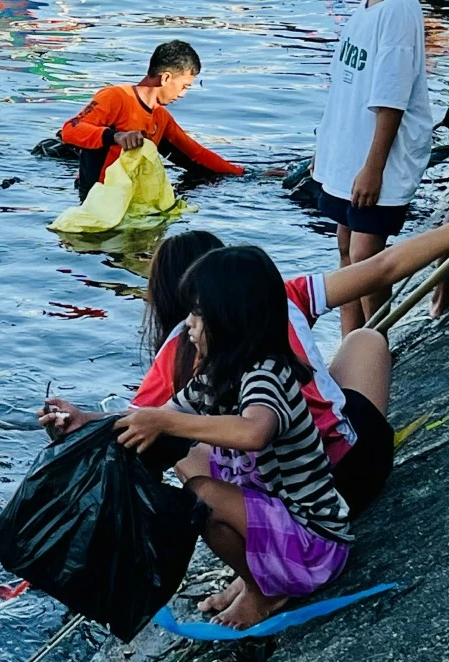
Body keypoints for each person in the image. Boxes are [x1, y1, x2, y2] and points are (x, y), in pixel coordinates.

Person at [49, 247, 353, 629]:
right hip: (280, 523)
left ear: (230, 317)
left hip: (314, 541)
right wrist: (85, 419)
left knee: (201, 498)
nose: (188, 325)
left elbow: (254, 431)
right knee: (183, 456)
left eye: (197, 313)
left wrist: (166, 424)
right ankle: (254, 576)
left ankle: (265, 593)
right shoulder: (218, 375)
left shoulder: (267, 374)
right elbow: (156, 415)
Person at [127, 224, 449, 513]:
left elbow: (131, 425)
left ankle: (253, 538)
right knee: (366, 340)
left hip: (293, 502)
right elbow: (383, 267)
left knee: (178, 441)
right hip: (363, 463)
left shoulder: (176, 350)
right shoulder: (278, 296)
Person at [315, 0, 434, 336]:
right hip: (348, 155)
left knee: (367, 259)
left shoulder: (400, 10)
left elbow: (390, 99)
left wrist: (373, 167)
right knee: (346, 249)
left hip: (374, 162)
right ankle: (349, 347)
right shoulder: (367, 7)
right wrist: (325, 153)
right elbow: (346, 92)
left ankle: (376, 345)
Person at [59, 40, 245, 201]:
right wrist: (116, 137)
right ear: (165, 78)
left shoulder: (160, 117)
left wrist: (243, 174)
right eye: (184, 86)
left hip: (131, 199)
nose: (183, 94)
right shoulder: (115, 97)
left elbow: (196, 155)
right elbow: (70, 130)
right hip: (96, 197)